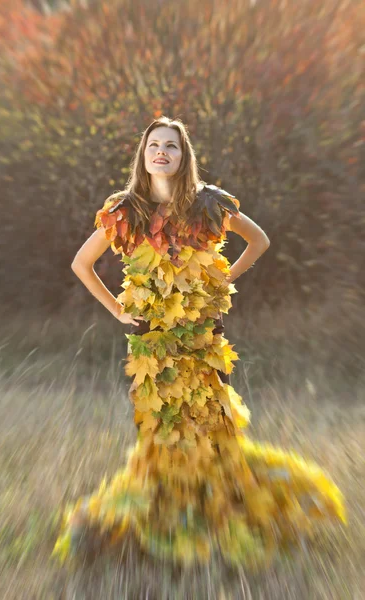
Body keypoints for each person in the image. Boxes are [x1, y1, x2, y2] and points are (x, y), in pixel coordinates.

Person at [53, 116, 346, 568]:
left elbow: (260, 240)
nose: (162, 152)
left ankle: (217, 512)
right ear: (143, 155)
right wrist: (116, 309)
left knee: (212, 426)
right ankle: (167, 517)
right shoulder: (126, 210)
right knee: (161, 430)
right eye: (154, 145)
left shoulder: (208, 204)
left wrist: (222, 280)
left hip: (203, 340)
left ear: (183, 155)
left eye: (171, 145)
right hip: (153, 344)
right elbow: (80, 262)